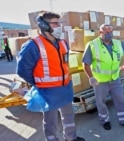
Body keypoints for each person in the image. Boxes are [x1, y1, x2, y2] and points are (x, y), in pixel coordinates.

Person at [16, 12, 85, 141]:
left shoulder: (63, 43)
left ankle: (71, 137)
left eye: (60, 23)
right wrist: (38, 82)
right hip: (48, 91)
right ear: (44, 25)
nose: (59, 26)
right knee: (50, 120)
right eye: (55, 23)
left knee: (69, 116)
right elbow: (22, 70)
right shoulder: (33, 45)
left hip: (65, 88)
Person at [82, 24, 124, 130]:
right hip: (100, 82)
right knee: (101, 102)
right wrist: (90, 77)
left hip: (115, 79)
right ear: (101, 33)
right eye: (107, 32)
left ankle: (123, 120)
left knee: (121, 100)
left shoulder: (117, 44)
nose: (110, 34)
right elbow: (85, 63)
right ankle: (104, 121)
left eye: (111, 31)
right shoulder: (92, 45)